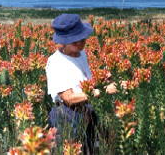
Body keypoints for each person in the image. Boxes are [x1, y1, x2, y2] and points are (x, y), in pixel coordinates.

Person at [46, 13, 116, 154]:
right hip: (67, 116)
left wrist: (101, 79)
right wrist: (102, 91)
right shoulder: (56, 62)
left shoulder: (81, 54)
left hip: (87, 112)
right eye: (75, 41)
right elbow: (69, 98)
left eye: (82, 38)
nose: (80, 43)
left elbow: (82, 82)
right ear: (63, 42)